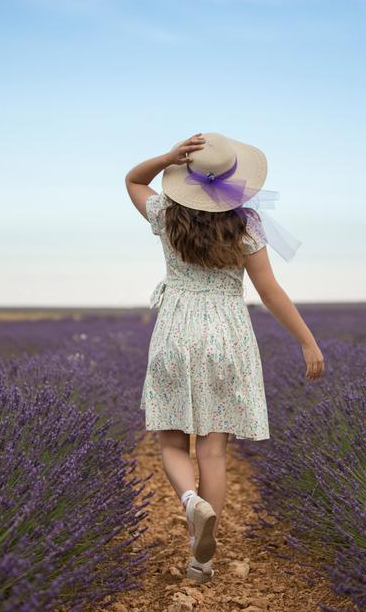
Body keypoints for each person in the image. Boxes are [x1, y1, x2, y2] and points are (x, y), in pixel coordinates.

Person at [125, 132, 325, 583]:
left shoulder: (165, 214)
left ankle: (190, 503)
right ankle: (203, 562)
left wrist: (168, 157)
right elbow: (270, 291)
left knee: (172, 440)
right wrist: (307, 340)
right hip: (226, 334)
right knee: (213, 451)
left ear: (186, 178)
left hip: (176, 329)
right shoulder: (247, 223)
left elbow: (133, 181)